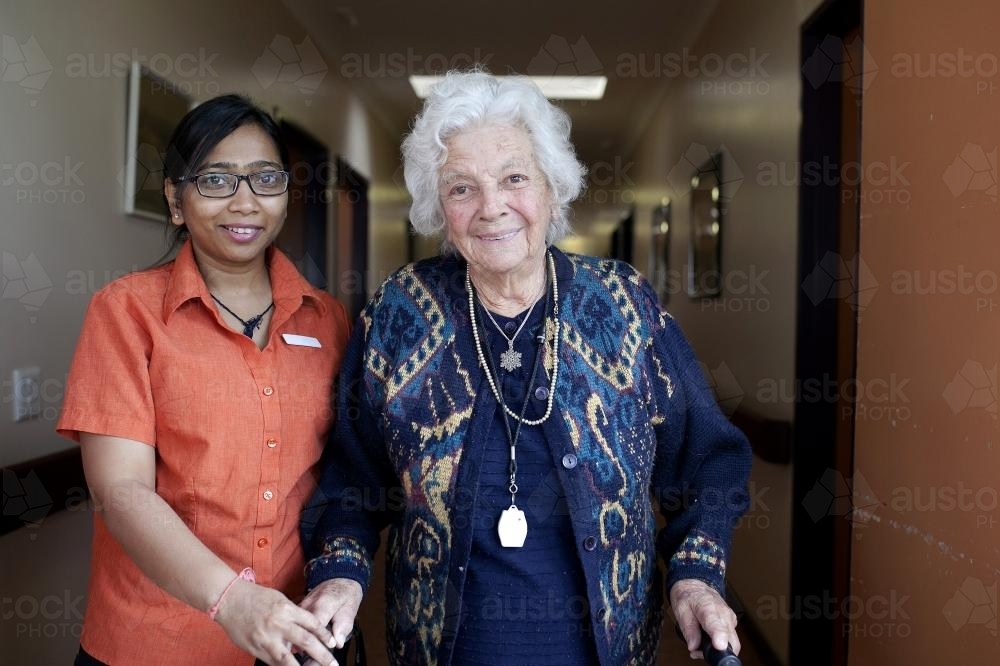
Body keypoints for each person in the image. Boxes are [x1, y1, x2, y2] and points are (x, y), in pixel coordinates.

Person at [299, 70, 752, 665]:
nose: (492, 208)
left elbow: (710, 461)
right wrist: (341, 573)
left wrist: (695, 575)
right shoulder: (399, 310)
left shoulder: (621, 305)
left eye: (514, 178)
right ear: (440, 209)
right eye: (461, 189)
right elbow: (353, 479)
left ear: (552, 190)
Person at [57, 94, 351, 666]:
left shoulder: (328, 318)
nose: (245, 202)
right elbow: (121, 490)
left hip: (289, 640)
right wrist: (232, 601)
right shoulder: (125, 313)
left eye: (265, 178)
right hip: (154, 641)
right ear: (175, 199)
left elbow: (342, 472)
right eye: (215, 180)